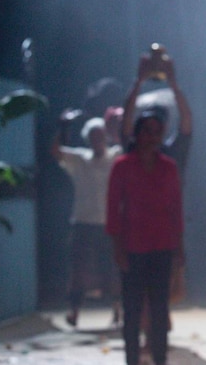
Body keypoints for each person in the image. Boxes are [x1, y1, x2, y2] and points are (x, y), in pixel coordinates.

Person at [107, 110, 184, 365]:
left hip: (162, 245)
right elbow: (113, 208)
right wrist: (118, 247)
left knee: (160, 309)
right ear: (137, 134)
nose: (152, 137)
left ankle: (160, 359)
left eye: (157, 132)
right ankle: (132, 360)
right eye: (147, 131)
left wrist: (179, 247)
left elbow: (175, 208)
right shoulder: (122, 166)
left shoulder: (168, 168)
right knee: (132, 309)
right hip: (133, 246)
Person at [51, 114, 122, 328]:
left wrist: (115, 129)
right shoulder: (80, 159)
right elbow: (56, 152)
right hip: (83, 221)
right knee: (79, 270)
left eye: (100, 136)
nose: (97, 140)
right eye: (93, 136)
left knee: (112, 268)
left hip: (110, 223)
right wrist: (62, 127)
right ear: (87, 139)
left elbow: (128, 146)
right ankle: (74, 311)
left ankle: (117, 310)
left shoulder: (116, 156)